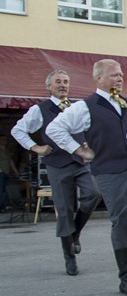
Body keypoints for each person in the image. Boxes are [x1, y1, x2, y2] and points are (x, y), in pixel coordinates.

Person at [46, 59, 127, 296]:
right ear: (99, 78)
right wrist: (77, 149)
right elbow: (54, 129)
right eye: (113, 75)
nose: (119, 79)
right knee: (120, 220)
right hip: (109, 169)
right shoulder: (84, 107)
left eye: (120, 75)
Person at [11, 70, 101, 275]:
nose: (63, 85)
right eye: (58, 82)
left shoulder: (77, 107)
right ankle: (69, 256)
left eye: (66, 82)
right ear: (49, 87)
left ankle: (75, 233)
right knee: (65, 209)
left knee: (93, 194)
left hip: (80, 162)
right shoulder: (39, 110)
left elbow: (89, 129)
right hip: (58, 165)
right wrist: (36, 148)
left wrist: (87, 142)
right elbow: (18, 130)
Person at [0, 135, 19, 212]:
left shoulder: (7, 150)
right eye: (3, 139)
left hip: (7, 173)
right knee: (1, 190)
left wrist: (15, 172)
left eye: (6, 140)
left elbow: (10, 161)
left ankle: (4, 206)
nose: (5, 141)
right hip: (1, 173)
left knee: (7, 190)